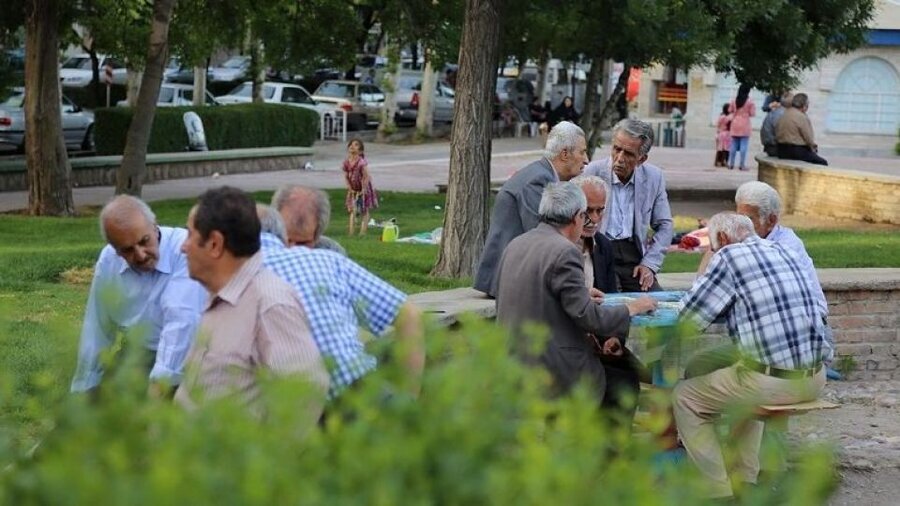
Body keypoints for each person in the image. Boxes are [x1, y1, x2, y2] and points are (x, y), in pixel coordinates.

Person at [674, 212, 827, 500]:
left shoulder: (728, 257)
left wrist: (709, 258)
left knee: (685, 396)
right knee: (734, 368)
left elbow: (688, 318)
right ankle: (745, 480)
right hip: (816, 377)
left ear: (720, 239)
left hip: (773, 384)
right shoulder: (784, 250)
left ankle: (717, 493)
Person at [495, 181, 657, 418]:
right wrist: (631, 308)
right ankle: (607, 454)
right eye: (585, 214)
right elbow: (589, 317)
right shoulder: (564, 251)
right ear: (576, 217)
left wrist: (581, 292)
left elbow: (533, 294)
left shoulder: (517, 244)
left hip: (515, 358)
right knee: (624, 383)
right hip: (553, 367)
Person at [175, 187, 329, 420]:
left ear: (215, 244)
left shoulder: (269, 303)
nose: (183, 247)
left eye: (190, 235)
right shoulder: (222, 297)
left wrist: (265, 455)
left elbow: (305, 391)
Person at [256, 205, 425, 399]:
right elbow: (409, 313)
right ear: (284, 237)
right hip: (357, 390)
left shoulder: (229, 274)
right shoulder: (329, 261)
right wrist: (408, 401)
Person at [71, 195, 207, 397]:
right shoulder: (108, 260)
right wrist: (84, 386)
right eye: (127, 250)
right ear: (114, 249)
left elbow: (181, 324)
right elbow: (97, 327)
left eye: (144, 241)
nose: (141, 255)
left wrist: (159, 388)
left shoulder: (184, 250)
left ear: (154, 225)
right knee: (95, 411)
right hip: (141, 352)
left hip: (195, 354)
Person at [474, 121, 589, 297]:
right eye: (582, 152)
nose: (586, 160)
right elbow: (543, 236)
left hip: (516, 275)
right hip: (508, 281)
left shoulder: (543, 175)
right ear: (565, 154)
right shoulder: (537, 180)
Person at [584, 118, 674, 292]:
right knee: (615, 307)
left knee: (657, 307)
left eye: (629, 154)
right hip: (599, 251)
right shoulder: (591, 173)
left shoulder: (654, 177)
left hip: (633, 254)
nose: (619, 159)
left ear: (642, 159)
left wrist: (649, 264)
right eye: (617, 149)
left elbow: (665, 225)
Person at [571, 175, 617, 294]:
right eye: (588, 211)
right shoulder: (553, 247)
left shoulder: (604, 245)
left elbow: (611, 297)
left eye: (600, 210)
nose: (595, 219)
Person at [271, 184, 346, 255]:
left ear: (317, 236)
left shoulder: (333, 253)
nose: (293, 250)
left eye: (302, 243)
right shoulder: (262, 251)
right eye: (286, 240)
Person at [776, 93, 828, 165]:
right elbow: (808, 137)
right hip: (795, 150)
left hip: (781, 149)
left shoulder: (784, 114)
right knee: (822, 162)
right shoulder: (801, 116)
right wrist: (813, 147)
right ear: (804, 106)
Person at [342, 138, 378, 236]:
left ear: (361, 151)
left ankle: (362, 232)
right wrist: (349, 187)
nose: (352, 146)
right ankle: (351, 232)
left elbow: (366, 176)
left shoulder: (361, 162)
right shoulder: (346, 162)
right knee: (353, 210)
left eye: (356, 145)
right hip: (353, 188)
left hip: (364, 188)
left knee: (364, 209)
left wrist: (363, 189)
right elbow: (346, 175)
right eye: (351, 144)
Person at [727, 83, 756, 171]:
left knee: (733, 145)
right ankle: (742, 164)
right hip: (745, 123)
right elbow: (752, 114)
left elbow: (729, 110)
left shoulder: (734, 100)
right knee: (744, 145)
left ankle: (731, 163)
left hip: (735, 122)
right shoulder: (750, 101)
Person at [760, 92, 792, 157]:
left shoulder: (778, 112)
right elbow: (781, 134)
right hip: (774, 147)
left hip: (770, 144)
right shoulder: (782, 114)